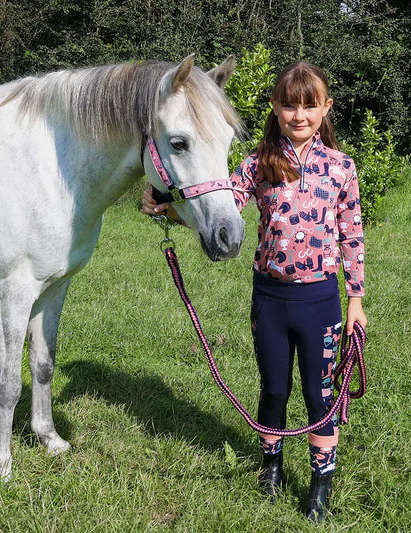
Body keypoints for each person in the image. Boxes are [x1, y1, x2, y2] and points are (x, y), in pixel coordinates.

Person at [142, 61, 367, 523]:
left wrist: (356, 301)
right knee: (274, 389)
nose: (298, 115)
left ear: (326, 108)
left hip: (320, 301)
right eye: (289, 105)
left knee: (321, 395)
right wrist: (163, 207)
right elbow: (220, 205)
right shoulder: (258, 164)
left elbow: (352, 236)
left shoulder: (342, 168)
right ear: (275, 108)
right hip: (269, 299)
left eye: (309, 105)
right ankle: (271, 470)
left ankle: (320, 485)